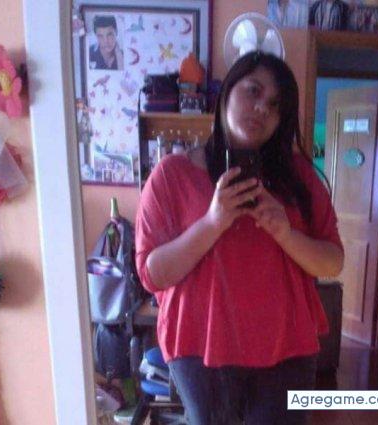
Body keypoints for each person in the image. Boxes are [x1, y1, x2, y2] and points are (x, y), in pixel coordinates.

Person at [135, 51, 344, 424]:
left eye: (275, 104)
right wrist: (212, 222)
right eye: (253, 91)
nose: (262, 108)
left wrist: (285, 233)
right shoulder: (172, 175)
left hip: (287, 350)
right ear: (227, 92)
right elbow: (152, 275)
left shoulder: (300, 178)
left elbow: (333, 261)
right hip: (201, 349)